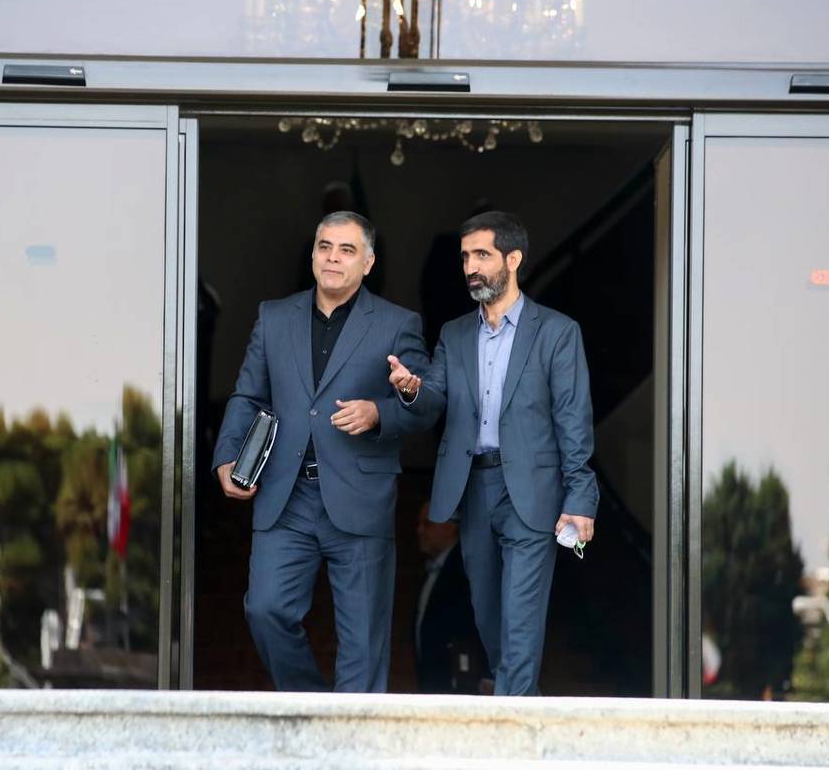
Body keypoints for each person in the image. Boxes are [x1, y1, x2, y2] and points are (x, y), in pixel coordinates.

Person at [213, 211, 433, 692]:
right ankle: (312, 707)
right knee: (265, 609)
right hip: (286, 495)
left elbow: (426, 405)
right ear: (313, 254)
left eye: (347, 250)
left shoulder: (398, 324)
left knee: (364, 642)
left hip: (360, 495)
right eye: (324, 247)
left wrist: (381, 410)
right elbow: (248, 396)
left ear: (368, 263)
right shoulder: (274, 317)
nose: (333, 258)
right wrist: (227, 455)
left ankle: (350, 734)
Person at [387, 210, 598, 695]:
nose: (470, 267)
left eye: (481, 255)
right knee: (489, 618)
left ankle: (509, 720)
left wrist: (580, 496)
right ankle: (522, 706)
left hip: (531, 490)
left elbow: (573, 418)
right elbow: (433, 398)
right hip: (474, 489)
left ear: (513, 259)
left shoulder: (557, 332)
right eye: (465, 257)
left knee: (520, 619)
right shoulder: (454, 334)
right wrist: (411, 389)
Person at [413, 501, 488, 694]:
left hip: (461, 685)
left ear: (451, 527)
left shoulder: (465, 567)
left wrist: (486, 674)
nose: (420, 531)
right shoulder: (433, 568)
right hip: (434, 683)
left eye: (427, 524)